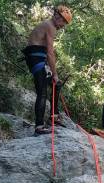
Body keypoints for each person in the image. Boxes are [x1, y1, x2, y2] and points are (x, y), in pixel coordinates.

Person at [23, 5, 72, 135]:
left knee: (56, 84)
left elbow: (47, 52)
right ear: (57, 16)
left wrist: (53, 73)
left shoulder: (49, 26)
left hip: (38, 58)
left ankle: (54, 116)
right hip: (36, 58)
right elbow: (50, 52)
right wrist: (54, 73)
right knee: (42, 91)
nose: (63, 26)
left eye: (65, 23)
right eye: (63, 22)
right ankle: (39, 126)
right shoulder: (50, 26)